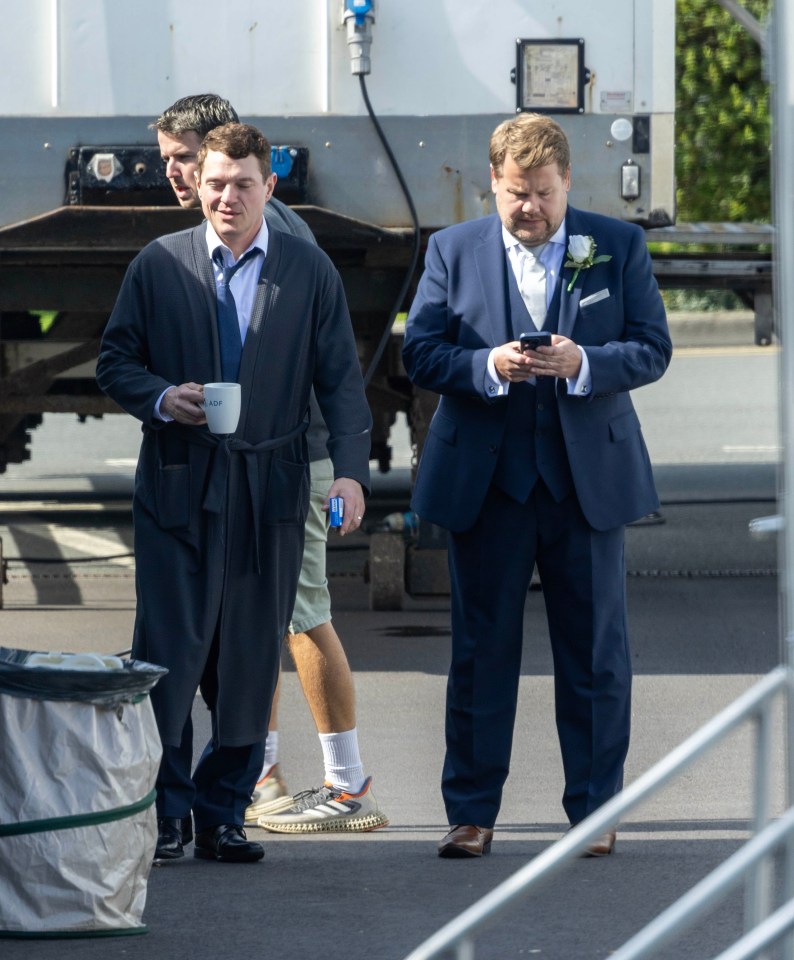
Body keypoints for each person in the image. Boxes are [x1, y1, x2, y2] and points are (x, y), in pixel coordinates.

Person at [96, 122, 372, 863]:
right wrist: (161, 398)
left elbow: (342, 383)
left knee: (249, 658)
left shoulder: (308, 273)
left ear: (269, 188)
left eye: (243, 183)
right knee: (170, 654)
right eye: (215, 182)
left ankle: (223, 813)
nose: (227, 196)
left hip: (270, 490)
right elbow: (115, 360)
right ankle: (164, 812)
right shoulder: (160, 266)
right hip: (179, 486)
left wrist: (349, 470)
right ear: (197, 186)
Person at [402, 113, 672, 859]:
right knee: (481, 651)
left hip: (586, 483)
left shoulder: (615, 247)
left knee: (594, 655)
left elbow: (652, 348)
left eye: (545, 195)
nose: (531, 209)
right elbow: (420, 353)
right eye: (517, 194)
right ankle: (471, 813)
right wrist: (485, 367)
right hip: (487, 485)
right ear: (492, 183)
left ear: (567, 185)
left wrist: (584, 362)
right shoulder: (451, 252)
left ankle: (593, 813)